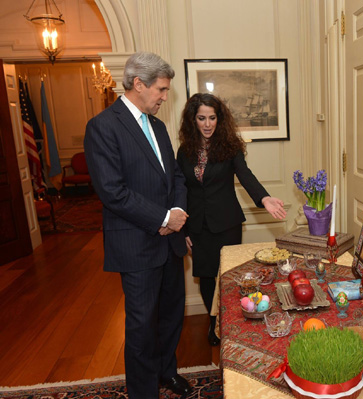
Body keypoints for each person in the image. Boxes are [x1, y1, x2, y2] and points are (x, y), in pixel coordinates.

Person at [84, 52, 192, 398]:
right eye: (161, 90)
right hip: (137, 245)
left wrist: (174, 214)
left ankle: (166, 372)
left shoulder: (158, 126)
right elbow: (112, 192)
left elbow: (175, 177)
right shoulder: (103, 126)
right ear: (138, 84)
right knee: (142, 327)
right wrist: (161, 218)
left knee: (171, 316)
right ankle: (144, 392)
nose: (164, 97)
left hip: (169, 243)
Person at [177, 93, 287, 345]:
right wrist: (182, 229)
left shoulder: (229, 146)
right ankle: (213, 322)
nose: (207, 124)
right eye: (201, 118)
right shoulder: (184, 151)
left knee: (228, 275)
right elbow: (180, 188)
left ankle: (232, 322)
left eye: (212, 118)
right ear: (193, 120)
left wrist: (265, 198)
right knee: (206, 276)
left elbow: (245, 175)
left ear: (219, 118)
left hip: (226, 223)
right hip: (197, 226)